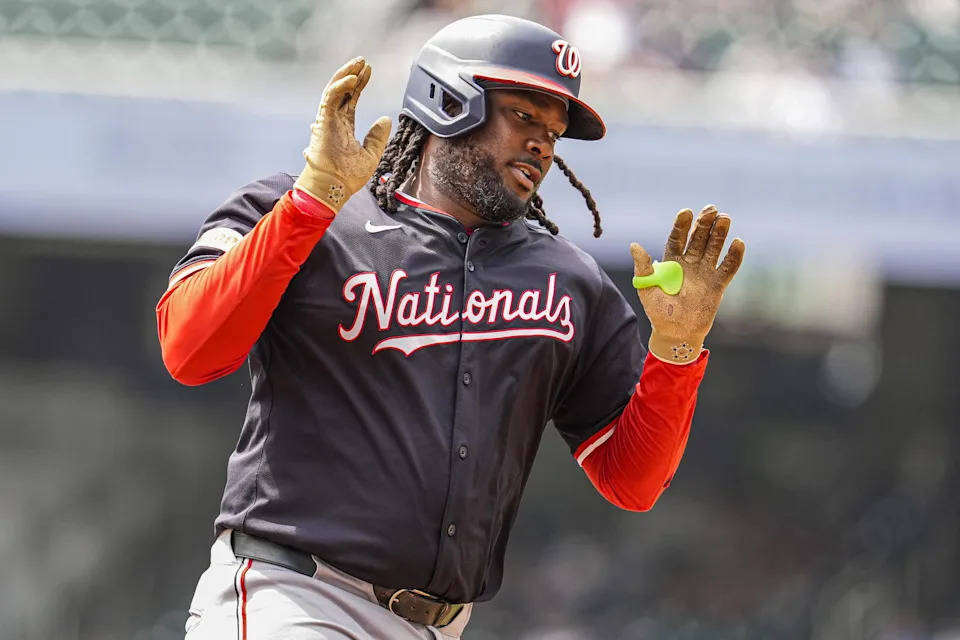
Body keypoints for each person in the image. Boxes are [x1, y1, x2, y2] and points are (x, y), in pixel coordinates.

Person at [156, 14, 744, 640]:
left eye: (553, 131)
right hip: (295, 597)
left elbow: (632, 481)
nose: (544, 145)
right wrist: (311, 202)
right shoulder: (298, 212)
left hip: (438, 627)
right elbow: (189, 351)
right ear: (448, 100)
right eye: (523, 115)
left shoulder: (568, 280)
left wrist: (676, 350)